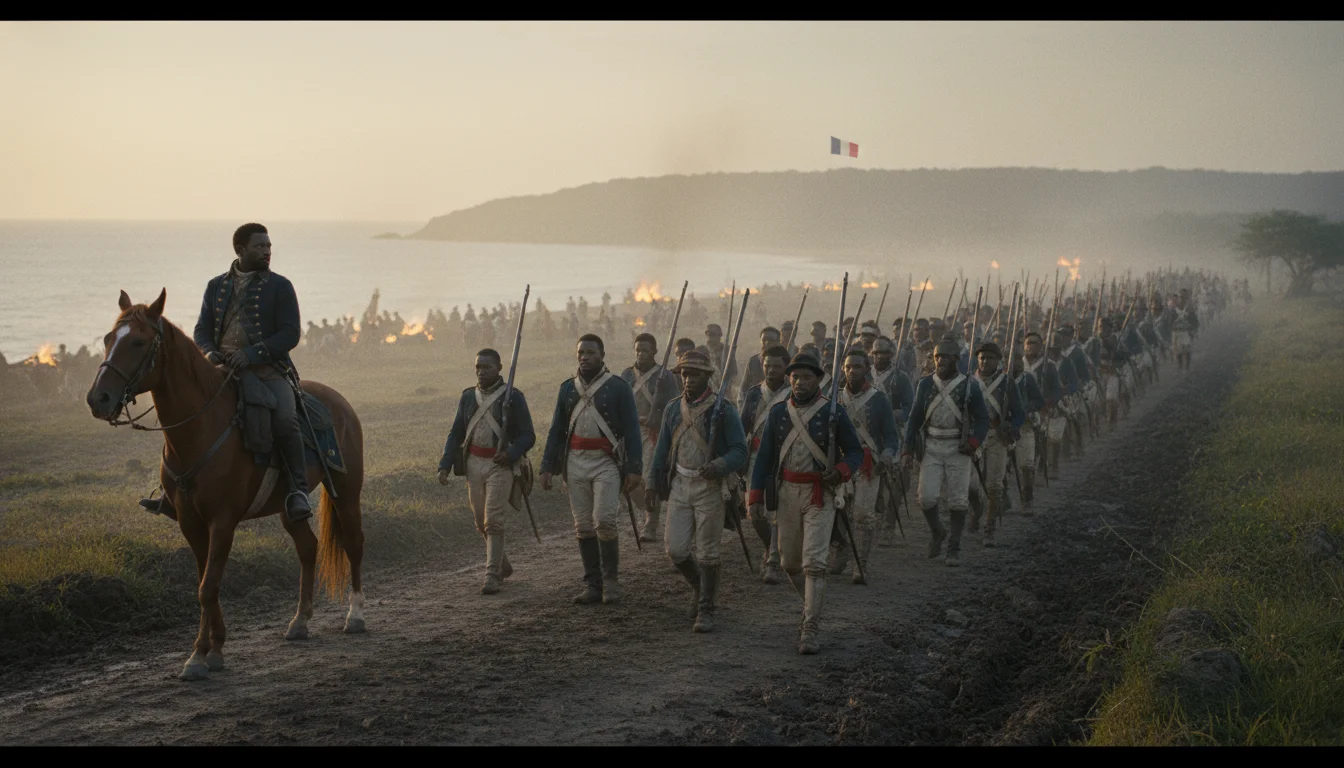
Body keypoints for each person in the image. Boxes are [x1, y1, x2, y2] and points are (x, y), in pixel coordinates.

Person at [142, 223, 309, 523]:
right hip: (221, 371)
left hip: (268, 370)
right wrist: (209, 352)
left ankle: (297, 490)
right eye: (260, 246)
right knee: (186, 415)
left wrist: (251, 354)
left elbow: (290, 333)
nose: (267, 251)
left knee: (286, 419)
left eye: (269, 246)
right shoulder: (215, 286)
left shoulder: (280, 286)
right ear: (240, 250)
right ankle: (173, 492)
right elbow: (201, 330)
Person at [748, 352, 864, 655]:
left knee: (814, 562)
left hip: (820, 493)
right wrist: (755, 496)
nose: (799, 382)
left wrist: (840, 471)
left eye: (807, 377)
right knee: (789, 563)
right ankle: (811, 604)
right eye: (795, 377)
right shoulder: (778, 413)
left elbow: (855, 452)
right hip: (786, 492)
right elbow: (765, 459)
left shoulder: (833, 412)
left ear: (818, 380)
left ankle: (810, 625)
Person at [646, 350, 748, 633]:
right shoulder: (672, 409)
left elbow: (740, 451)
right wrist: (652, 483)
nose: (688, 379)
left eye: (695, 374)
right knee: (676, 549)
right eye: (685, 374)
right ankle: (699, 587)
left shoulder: (724, 409)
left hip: (711, 487)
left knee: (707, 553)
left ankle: (706, 607)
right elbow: (662, 450)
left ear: (707, 376)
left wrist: (719, 465)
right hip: (680, 484)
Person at [539, 334, 643, 605]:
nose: (584, 357)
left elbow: (632, 430)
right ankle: (593, 585)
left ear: (602, 355)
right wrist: (547, 466)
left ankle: (611, 582)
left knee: (604, 520)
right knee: (583, 525)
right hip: (575, 462)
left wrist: (634, 468)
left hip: (606, 461)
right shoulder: (567, 388)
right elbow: (557, 430)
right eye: (581, 352)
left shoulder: (618, 387)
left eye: (590, 352)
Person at [437, 349, 536, 595]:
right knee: (481, 522)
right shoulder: (468, 397)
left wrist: (511, 453)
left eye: (487, 367)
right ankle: (502, 563)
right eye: (478, 367)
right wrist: (445, 465)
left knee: (493, 520)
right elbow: (456, 434)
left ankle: (492, 574)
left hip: (500, 465)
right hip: (473, 464)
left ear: (499, 368)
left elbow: (528, 435)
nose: (481, 372)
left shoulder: (513, 397)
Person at [901, 337, 990, 567]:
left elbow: (982, 420)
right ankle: (937, 531)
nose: (940, 361)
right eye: (937, 356)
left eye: (945, 357)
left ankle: (954, 546)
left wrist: (973, 442)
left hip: (958, 448)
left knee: (958, 500)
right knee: (926, 497)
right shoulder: (925, 384)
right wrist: (908, 449)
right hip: (931, 446)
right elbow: (915, 418)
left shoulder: (969, 386)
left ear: (956, 359)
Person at [832, 348, 899, 583]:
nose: (852, 371)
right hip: (839, 463)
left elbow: (891, 436)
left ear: (867, 369)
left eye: (858, 366)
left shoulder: (878, 399)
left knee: (862, 515)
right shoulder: (834, 397)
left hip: (867, 463)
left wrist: (887, 456)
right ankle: (841, 550)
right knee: (834, 512)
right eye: (848, 367)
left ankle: (860, 564)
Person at [739, 343, 792, 584]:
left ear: (786, 368)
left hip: (785, 459)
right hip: (755, 459)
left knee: (777, 513)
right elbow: (743, 426)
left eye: (776, 366)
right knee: (755, 512)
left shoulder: (793, 394)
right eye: (767, 366)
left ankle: (773, 560)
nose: (770, 370)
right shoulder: (753, 394)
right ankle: (771, 546)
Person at [620, 333, 680, 541]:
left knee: (648, 478)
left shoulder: (666, 376)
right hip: (630, 433)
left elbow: (674, 406)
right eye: (638, 350)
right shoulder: (627, 374)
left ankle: (650, 523)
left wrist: (656, 418)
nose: (641, 354)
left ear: (654, 351)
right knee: (629, 478)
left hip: (653, 433)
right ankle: (647, 512)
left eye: (645, 350)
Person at [967, 341, 1024, 547]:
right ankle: (977, 510)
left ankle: (989, 530)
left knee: (994, 486)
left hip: (996, 436)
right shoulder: (968, 381)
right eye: (981, 358)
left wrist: (1012, 427)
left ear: (998, 361)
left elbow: (1019, 413)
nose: (984, 361)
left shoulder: (1006, 383)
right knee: (970, 486)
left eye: (989, 358)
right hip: (974, 437)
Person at [740, 326, 781, 397]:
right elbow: (743, 389)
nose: (767, 342)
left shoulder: (784, 361)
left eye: (771, 340)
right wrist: (743, 402)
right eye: (764, 340)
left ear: (778, 342)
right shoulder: (753, 361)